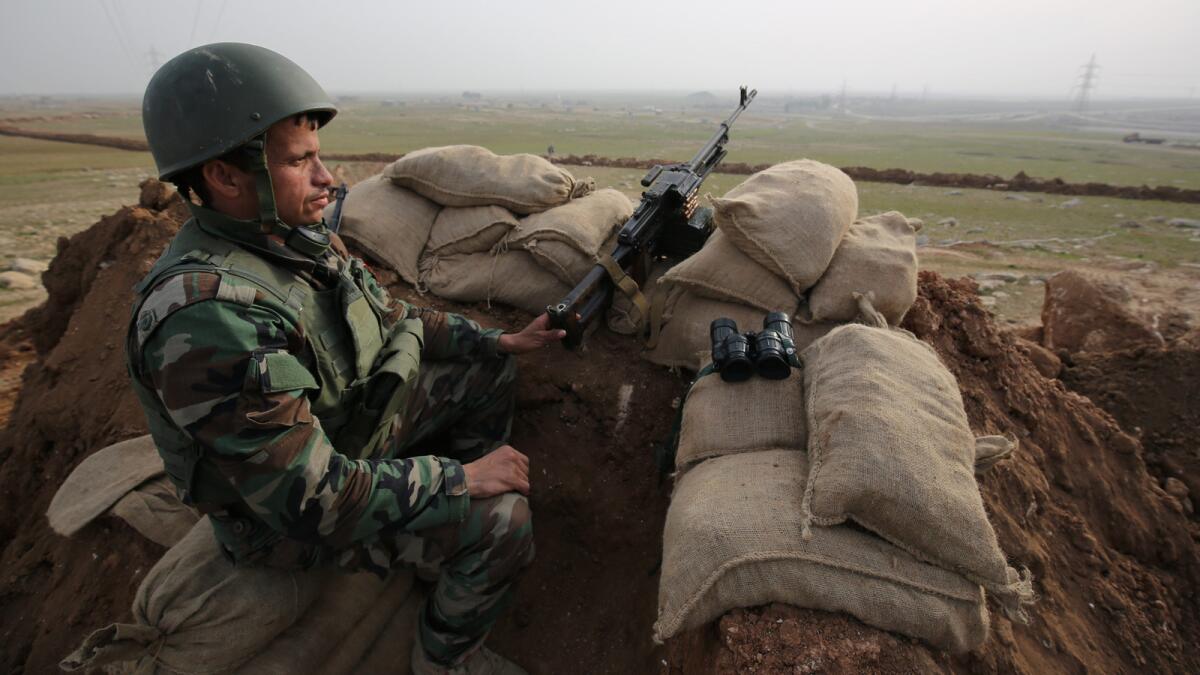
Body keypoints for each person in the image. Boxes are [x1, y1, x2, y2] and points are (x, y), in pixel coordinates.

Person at [128, 42, 560, 675]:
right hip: (295, 527)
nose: (326, 178)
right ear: (224, 176)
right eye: (301, 161)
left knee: (484, 368)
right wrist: (458, 482)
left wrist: (498, 342)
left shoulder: (292, 239)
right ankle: (444, 658)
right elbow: (310, 497)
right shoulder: (210, 315)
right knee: (505, 522)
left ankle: (435, 535)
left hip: (352, 433)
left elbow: (391, 321)